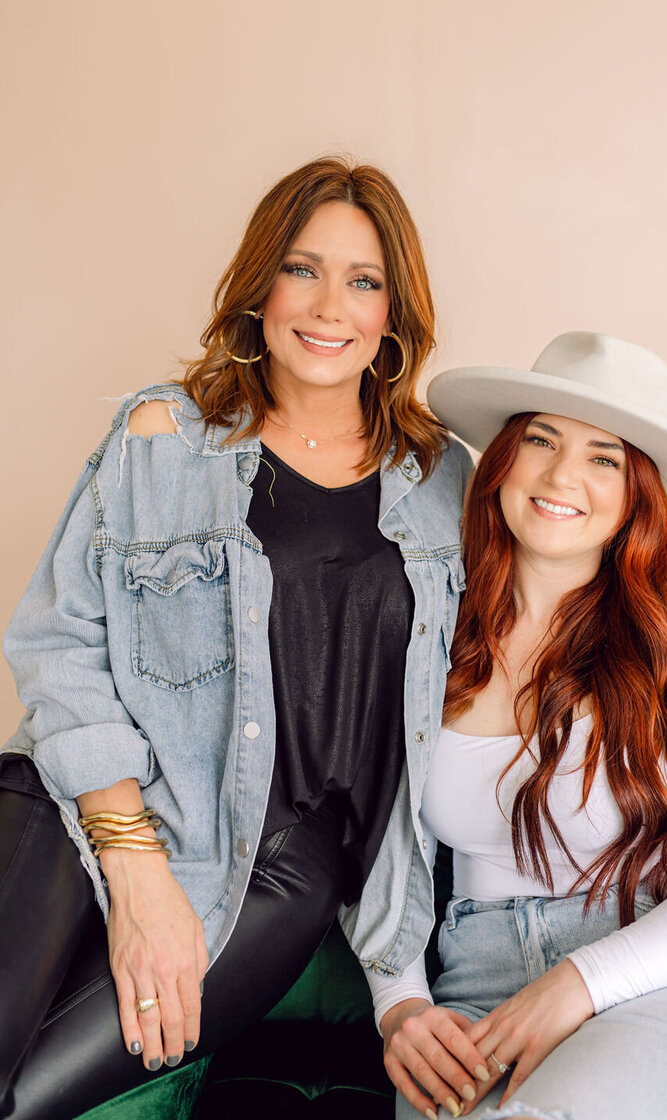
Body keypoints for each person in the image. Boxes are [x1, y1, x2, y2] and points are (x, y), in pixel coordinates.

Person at [0, 156, 473, 1119]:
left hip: (277, 865)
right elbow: (59, 643)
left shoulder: (444, 481)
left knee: (24, 1096)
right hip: (75, 801)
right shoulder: (160, 437)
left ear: (394, 313)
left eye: (364, 280)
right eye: (303, 269)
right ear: (261, 285)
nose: (329, 306)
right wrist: (134, 865)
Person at [368, 331, 667, 1120]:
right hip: (478, 988)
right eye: (542, 440)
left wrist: (582, 982)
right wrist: (399, 1002)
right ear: (503, 460)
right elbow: (371, 843)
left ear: (637, 496)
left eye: (605, 458)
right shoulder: (421, 637)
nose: (563, 475)